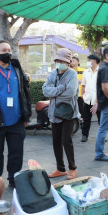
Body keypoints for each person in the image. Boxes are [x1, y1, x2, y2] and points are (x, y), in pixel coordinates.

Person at [0, 40, 31, 188]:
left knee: (16, 154)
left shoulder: (17, 70)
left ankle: (14, 179)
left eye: (9, 50)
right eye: (4, 50)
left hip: (16, 122)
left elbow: (25, 93)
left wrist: (26, 115)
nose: (8, 53)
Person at [43, 48, 79, 180]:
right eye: (58, 61)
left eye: (62, 61)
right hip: (54, 113)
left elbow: (70, 94)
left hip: (69, 113)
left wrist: (55, 93)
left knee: (66, 140)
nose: (60, 63)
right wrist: (60, 89)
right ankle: (60, 168)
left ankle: (72, 168)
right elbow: (45, 91)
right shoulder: (52, 74)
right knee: (56, 141)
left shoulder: (72, 75)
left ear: (68, 62)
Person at [94, 45, 108, 161]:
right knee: (104, 128)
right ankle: (99, 153)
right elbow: (105, 88)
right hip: (107, 103)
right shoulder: (105, 69)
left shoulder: (107, 67)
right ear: (107, 55)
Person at [80, 54, 101, 142]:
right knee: (86, 119)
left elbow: (103, 87)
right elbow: (83, 85)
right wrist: (82, 96)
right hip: (87, 100)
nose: (88, 62)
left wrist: (98, 100)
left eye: (89, 60)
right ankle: (84, 135)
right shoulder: (86, 72)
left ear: (94, 61)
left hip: (99, 101)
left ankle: (102, 136)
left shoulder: (101, 71)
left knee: (101, 120)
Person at [70, 54, 85, 119]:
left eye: (73, 61)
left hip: (81, 95)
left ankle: (82, 121)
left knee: (82, 110)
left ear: (78, 62)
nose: (71, 62)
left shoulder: (83, 71)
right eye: (70, 61)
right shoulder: (68, 71)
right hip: (71, 94)